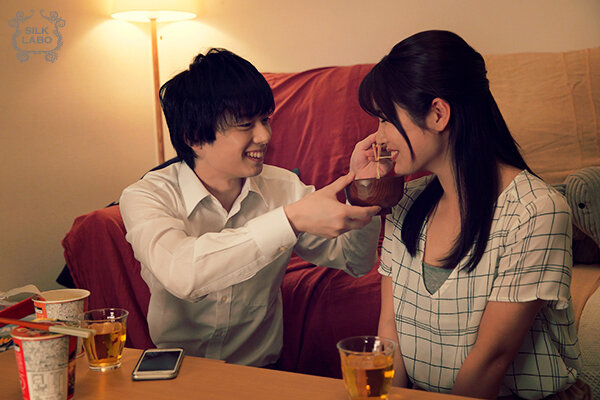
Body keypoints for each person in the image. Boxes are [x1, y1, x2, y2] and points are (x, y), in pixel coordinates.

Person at [355, 30, 588, 399]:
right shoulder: (406, 202)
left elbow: (491, 360)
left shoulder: (535, 211)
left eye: (385, 119)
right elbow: (390, 330)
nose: (378, 137)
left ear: (438, 114)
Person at [119, 48, 382, 367]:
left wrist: (364, 189)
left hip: (260, 372)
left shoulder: (284, 187)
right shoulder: (146, 196)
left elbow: (355, 262)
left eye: (265, 119)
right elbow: (183, 274)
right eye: (245, 125)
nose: (264, 135)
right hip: (180, 370)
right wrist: (289, 220)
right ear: (194, 137)